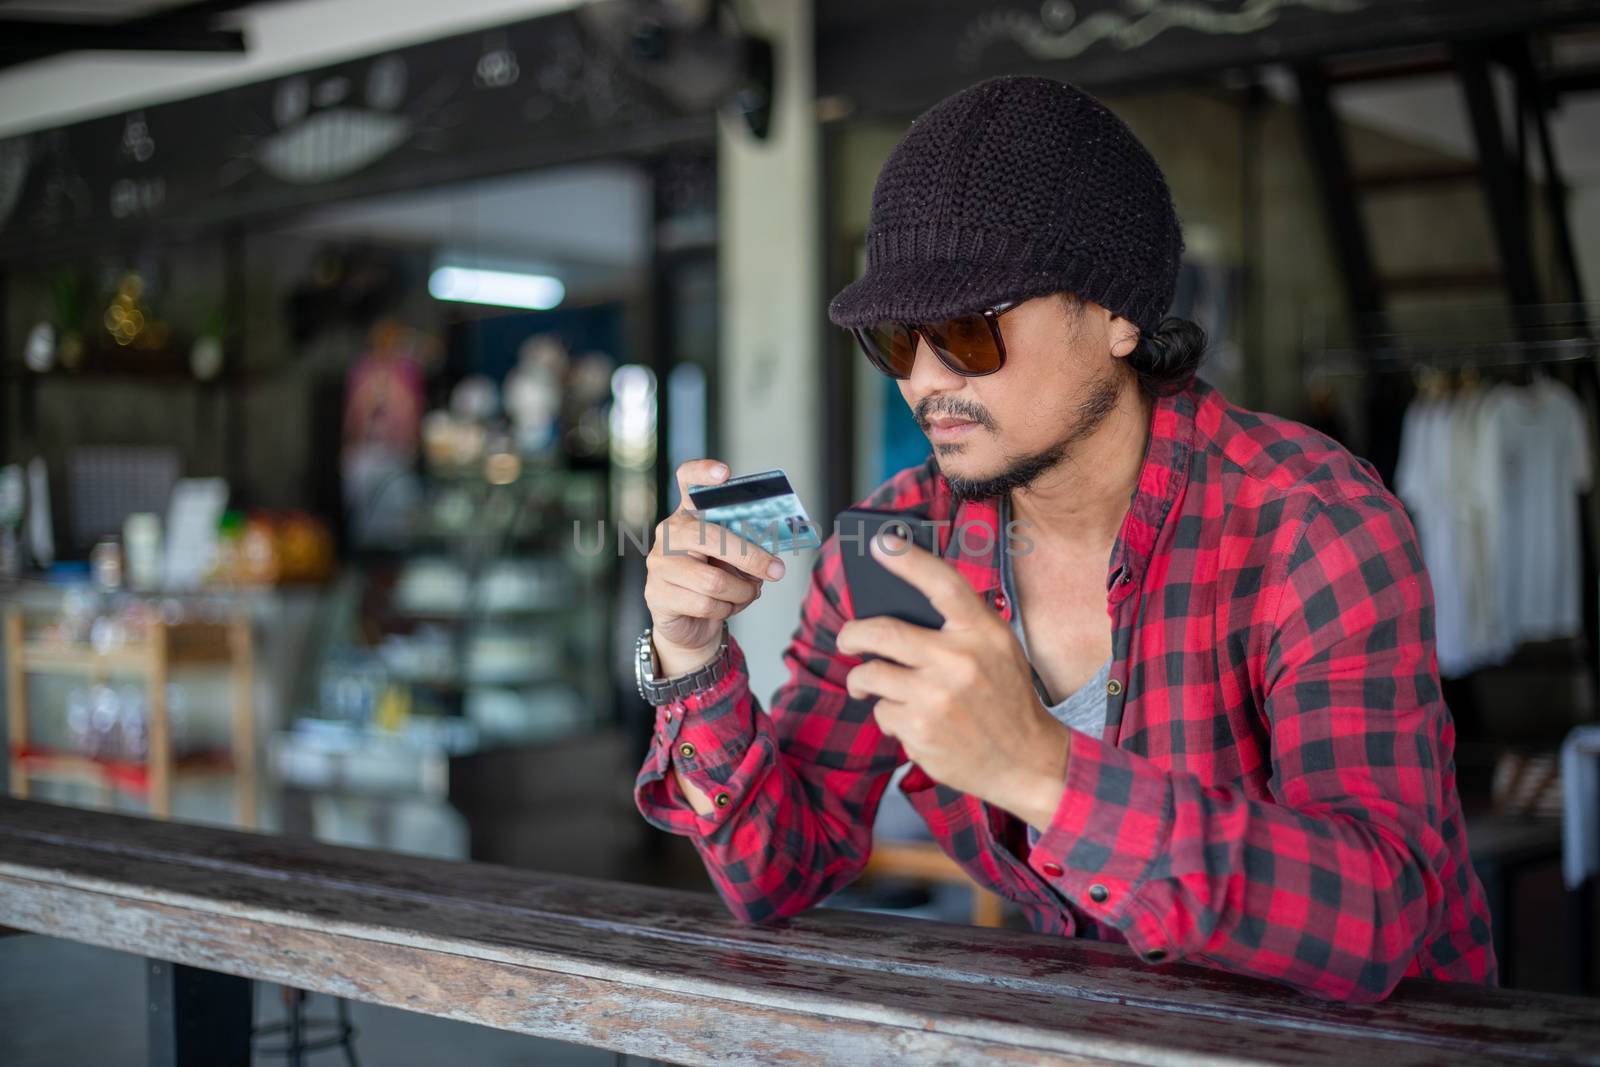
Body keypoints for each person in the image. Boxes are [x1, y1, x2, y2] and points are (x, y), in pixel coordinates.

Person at [632, 75, 1495, 1003]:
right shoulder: (894, 545)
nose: (924, 381)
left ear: (1120, 314)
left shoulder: (1307, 522)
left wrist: (1042, 769)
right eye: (894, 340)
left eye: (967, 330)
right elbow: (779, 872)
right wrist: (694, 659)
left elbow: (1380, 912)